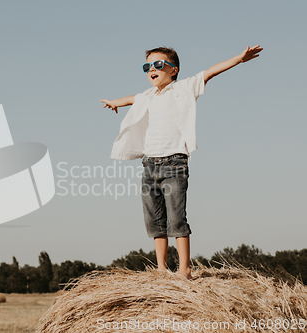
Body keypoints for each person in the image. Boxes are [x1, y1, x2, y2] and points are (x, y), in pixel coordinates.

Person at [101, 45, 263, 279]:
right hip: (149, 165)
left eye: (158, 64)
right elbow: (130, 99)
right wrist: (115, 102)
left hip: (174, 164)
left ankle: (184, 269)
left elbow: (210, 72)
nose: (152, 70)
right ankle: (161, 270)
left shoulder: (184, 88)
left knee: (176, 218)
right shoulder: (146, 97)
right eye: (147, 66)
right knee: (154, 221)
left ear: (174, 70)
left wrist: (238, 58)